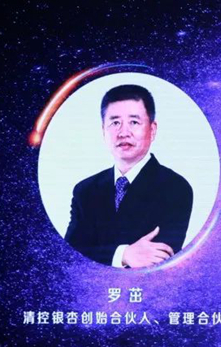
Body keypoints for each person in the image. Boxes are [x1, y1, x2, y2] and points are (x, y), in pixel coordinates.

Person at [64, 84, 193, 268]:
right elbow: (69, 255)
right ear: (103, 131)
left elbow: (159, 259)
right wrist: (123, 254)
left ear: (152, 130)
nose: (123, 133)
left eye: (134, 122)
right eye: (115, 123)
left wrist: (98, 250)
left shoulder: (176, 188)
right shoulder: (85, 190)